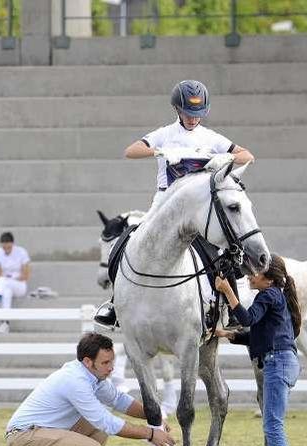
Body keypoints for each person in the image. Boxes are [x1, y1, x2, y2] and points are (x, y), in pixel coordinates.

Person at [94, 79, 255, 328]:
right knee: (130, 242)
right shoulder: (165, 134)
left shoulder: (210, 137)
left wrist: (220, 156)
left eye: (197, 114)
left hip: (197, 207)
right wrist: (158, 152)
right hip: (164, 204)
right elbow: (131, 150)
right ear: (177, 110)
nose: (192, 119)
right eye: (188, 113)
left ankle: (229, 307)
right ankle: (116, 302)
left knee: (222, 250)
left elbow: (247, 156)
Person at [6, 332, 176, 446]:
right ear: (88, 361)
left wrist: (154, 416)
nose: (111, 368)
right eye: (105, 363)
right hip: (23, 438)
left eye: (112, 362)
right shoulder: (75, 380)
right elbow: (106, 421)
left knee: (97, 429)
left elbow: (118, 400)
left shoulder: (93, 375)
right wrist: (151, 433)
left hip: (41, 431)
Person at [214, 255, 302, 446]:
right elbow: (258, 336)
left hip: (277, 363)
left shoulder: (268, 295)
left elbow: (247, 318)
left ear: (269, 280)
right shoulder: (276, 296)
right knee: (274, 423)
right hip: (283, 361)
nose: (250, 275)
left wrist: (226, 289)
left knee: (273, 424)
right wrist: (228, 334)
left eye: (256, 272)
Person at [0, 232, 30, 334]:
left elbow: (25, 275)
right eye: (4, 244)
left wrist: (11, 277)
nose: (6, 246)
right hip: (4, 285)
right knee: (6, 292)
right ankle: (5, 323)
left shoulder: (22, 252)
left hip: (19, 285)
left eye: (8, 244)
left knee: (3, 281)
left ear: (12, 243)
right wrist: (5, 279)